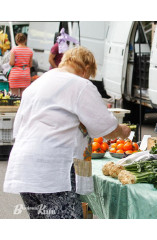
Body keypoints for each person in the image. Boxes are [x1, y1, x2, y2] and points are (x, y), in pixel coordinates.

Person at [3, 46, 131, 219]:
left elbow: (18, 130)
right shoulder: (80, 84)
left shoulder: (38, 83)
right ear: (86, 70)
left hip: (25, 169)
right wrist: (122, 131)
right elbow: (105, 126)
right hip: (52, 172)